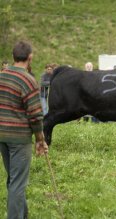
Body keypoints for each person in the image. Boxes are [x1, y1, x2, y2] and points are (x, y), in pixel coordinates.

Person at [0, 41, 48, 219]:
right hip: (19, 139)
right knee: (18, 184)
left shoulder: (2, 76)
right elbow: (35, 115)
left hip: (2, 136)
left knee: (13, 180)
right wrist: (40, 140)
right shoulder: (28, 79)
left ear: (13, 57)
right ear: (30, 57)